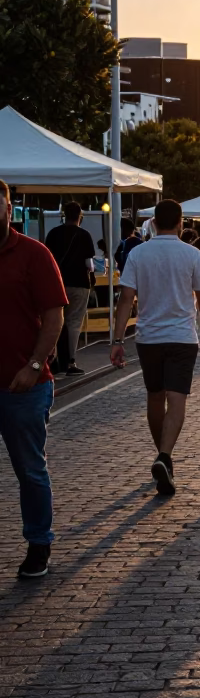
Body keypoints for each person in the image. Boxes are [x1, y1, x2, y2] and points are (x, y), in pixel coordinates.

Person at [110, 198, 200, 496]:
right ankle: (165, 456)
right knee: (177, 400)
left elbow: (126, 299)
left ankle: (162, 456)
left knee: (155, 398)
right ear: (181, 223)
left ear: (153, 223)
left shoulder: (138, 254)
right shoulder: (192, 253)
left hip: (148, 337)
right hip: (182, 336)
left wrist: (118, 340)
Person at [0, 179, 66, 578]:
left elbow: (55, 314)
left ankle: (38, 543)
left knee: (29, 469)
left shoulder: (33, 254)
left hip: (24, 385)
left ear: (9, 209)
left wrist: (33, 363)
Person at [45, 200, 95, 377]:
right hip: (80, 283)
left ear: (64, 216)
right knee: (74, 323)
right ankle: (71, 361)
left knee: (54, 321)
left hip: (58, 283)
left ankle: (52, 359)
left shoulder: (53, 234)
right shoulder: (85, 235)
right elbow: (89, 264)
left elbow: (48, 262)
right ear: (80, 216)